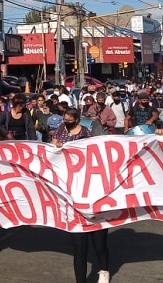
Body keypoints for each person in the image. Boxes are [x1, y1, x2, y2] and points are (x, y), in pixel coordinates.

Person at [50, 108, 110, 283]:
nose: (66, 122)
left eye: (70, 119)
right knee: (79, 249)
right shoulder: (61, 129)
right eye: (65, 119)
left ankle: (104, 271)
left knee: (99, 245)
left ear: (77, 119)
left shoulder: (86, 133)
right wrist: (56, 148)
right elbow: (52, 146)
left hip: (93, 201)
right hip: (72, 200)